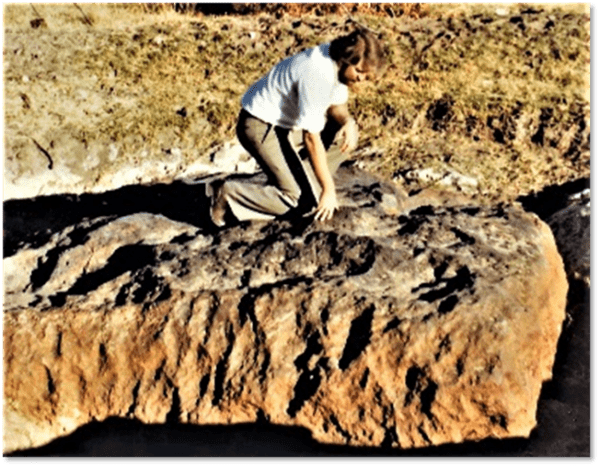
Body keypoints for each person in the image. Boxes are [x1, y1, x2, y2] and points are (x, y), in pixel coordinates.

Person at [208, 28, 385, 227]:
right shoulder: (318, 73)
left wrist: (348, 122)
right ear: (345, 58)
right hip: (260, 126)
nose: (361, 79)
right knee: (301, 201)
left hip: (285, 126)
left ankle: (302, 179)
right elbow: (311, 137)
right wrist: (328, 189)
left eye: (365, 75)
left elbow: (337, 105)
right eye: (359, 71)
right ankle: (228, 194)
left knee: (340, 133)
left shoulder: (336, 65)